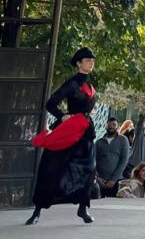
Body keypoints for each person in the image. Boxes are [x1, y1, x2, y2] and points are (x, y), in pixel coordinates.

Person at [27, 48, 99, 225]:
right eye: (87, 60)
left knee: (89, 169)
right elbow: (50, 103)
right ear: (79, 63)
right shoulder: (72, 83)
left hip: (85, 131)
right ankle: (37, 210)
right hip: (70, 131)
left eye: (92, 60)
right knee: (52, 168)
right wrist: (62, 116)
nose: (91, 62)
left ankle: (83, 208)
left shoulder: (90, 85)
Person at [95, 117, 130, 198]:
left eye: (114, 124)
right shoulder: (98, 143)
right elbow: (93, 161)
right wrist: (97, 178)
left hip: (116, 181)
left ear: (118, 126)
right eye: (109, 125)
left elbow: (124, 160)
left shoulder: (123, 140)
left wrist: (113, 179)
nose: (111, 127)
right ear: (106, 126)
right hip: (101, 182)